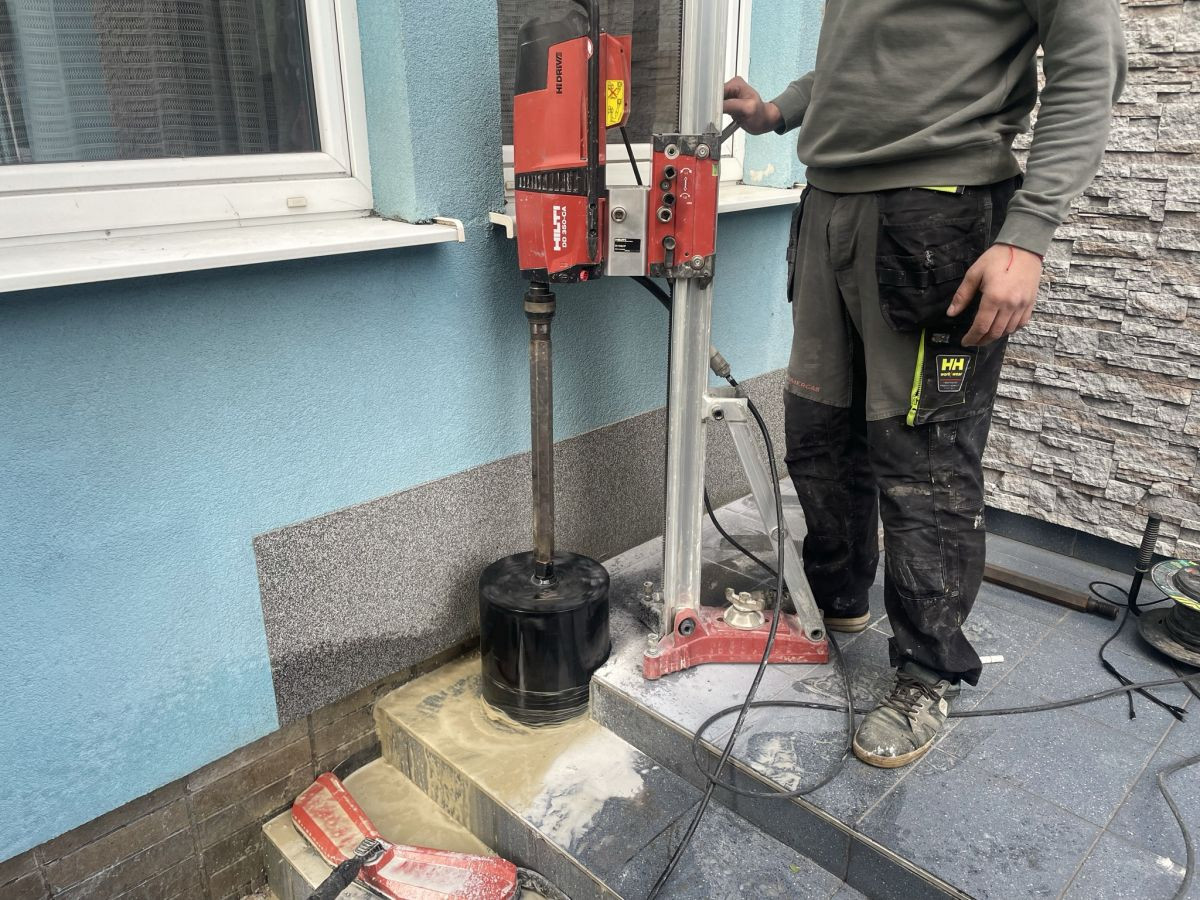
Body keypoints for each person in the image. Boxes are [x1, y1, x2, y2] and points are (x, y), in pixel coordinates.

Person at [723, 0, 1126, 769]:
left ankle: (928, 670)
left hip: (935, 215)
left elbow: (1090, 61)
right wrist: (779, 111)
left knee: (922, 460)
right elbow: (863, 61)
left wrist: (1029, 234)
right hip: (827, 205)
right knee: (817, 430)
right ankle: (838, 596)